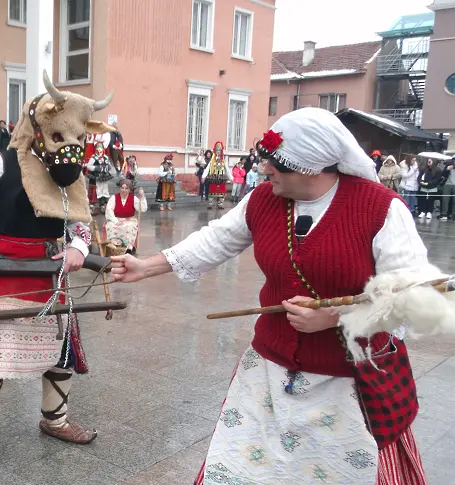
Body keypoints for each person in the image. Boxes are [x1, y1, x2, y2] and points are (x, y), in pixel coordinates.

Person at [110, 107, 428, 485]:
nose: (265, 170)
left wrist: (336, 319)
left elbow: (410, 293)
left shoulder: (381, 209)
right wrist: (146, 266)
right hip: (267, 373)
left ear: (310, 166)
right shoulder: (264, 200)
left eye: (277, 164)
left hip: (347, 382)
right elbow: (216, 240)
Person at [0, 72, 112, 465]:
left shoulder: (70, 176)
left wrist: (77, 245)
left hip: (48, 271)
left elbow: (80, 221)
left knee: (61, 354)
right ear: (40, 129)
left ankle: (55, 420)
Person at [105, 179, 147, 255]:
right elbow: (109, 210)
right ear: (119, 188)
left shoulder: (133, 198)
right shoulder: (114, 197)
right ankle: (114, 246)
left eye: (126, 188)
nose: (124, 190)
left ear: (130, 190)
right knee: (111, 226)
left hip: (129, 220)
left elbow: (142, 209)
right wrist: (116, 221)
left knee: (129, 227)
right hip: (116, 219)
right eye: (122, 188)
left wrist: (142, 196)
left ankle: (128, 248)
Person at [85, 142, 114, 214]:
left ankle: (103, 206)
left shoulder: (106, 157)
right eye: (97, 147)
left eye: (100, 147)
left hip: (103, 177)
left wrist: (106, 168)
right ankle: (92, 206)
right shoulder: (93, 157)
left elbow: (109, 166)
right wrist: (96, 168)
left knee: (103, 191)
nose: (99, 149)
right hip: (95, 178)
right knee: (94, 192)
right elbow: (88, 166)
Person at [203, 141, 229, 209]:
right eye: (217, 150)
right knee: (212, 191)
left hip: (221, 178)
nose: (218, 152)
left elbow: (227, 169)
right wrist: (203, 176)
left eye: (219, 150)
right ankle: (210, 204)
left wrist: (231, 178)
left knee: (221, 192)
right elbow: (207, 169)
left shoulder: (223, 160)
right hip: (213, 178)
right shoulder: (212, 161)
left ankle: (220, 204)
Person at [440, 156, 455, 221]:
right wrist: (447, 169)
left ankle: (453, 215)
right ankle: (444, 214)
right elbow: (443, 174)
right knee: (445, 200)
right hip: (447, 184)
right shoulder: (449, 164)